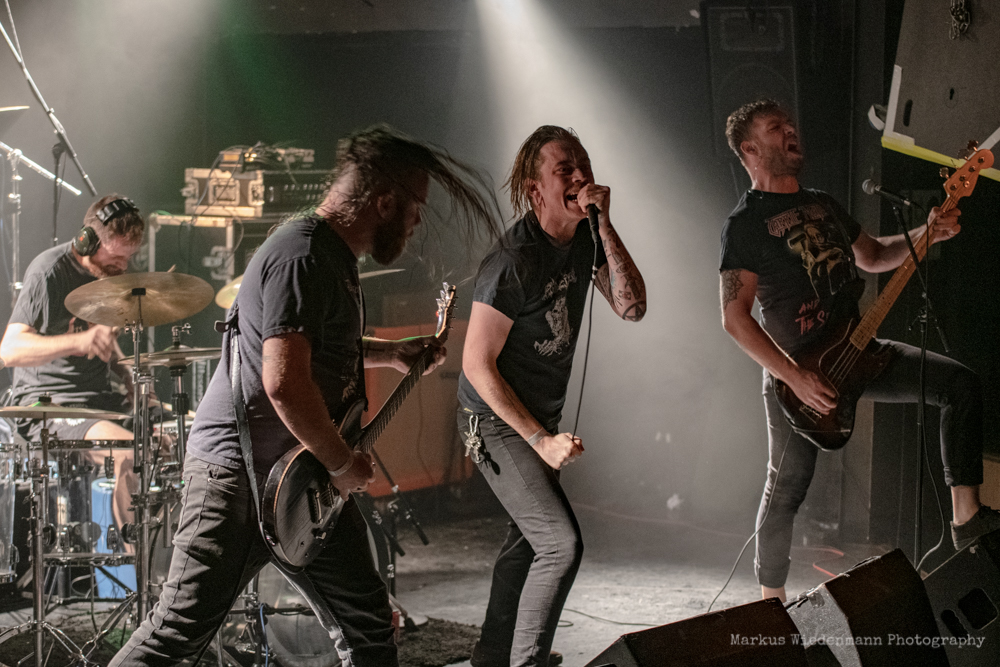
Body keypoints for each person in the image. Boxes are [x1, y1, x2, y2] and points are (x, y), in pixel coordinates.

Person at [109, 126, 501, 667]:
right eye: (415, 207)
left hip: (299, 480)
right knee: (175, 633)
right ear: (384, 202)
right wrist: (341, 462)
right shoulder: (304, 254)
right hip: (237, 480)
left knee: (368, 624)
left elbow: (310, 349)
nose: (416, 222)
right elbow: (284, 383)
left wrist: (391, 353)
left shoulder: (330, 256)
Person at [718, 99, 1000, 603]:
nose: (791, 130)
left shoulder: (822, 203)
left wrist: (927, 232)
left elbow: (872, 255)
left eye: (790, 123)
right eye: (775, 127)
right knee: (787, 487)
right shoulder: (745, 224)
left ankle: (966, 519)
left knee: (960, 384)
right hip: (799, 374)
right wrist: (793, 376)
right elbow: (734, 318)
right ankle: (768, 604)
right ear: (750, 149)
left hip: (859, 348)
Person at [457, 125, 646, 667]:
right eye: (565, 170)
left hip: (538, 415)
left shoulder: (587, 238)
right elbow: (476, 363)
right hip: (494, 420)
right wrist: (540, 440)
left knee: (527, 539)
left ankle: (492, 655)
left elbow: (632, 307)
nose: (581, 176)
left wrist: (604, 225)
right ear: (534, 188)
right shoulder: (514, 259)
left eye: (583, 165)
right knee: (560, 544)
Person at [0, 194, 147, 532]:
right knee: (127, 452)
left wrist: (127, 373)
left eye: (128, 258)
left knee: (169, 442)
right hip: (47, 405)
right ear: (87, 241)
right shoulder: (49, 272)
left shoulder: (106, 276)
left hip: (98, 401)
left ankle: (164, 554)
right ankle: (133, 562)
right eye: (115, 258)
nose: (123, 267)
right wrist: (79, 342)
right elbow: (10, 349)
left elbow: (102, 340)